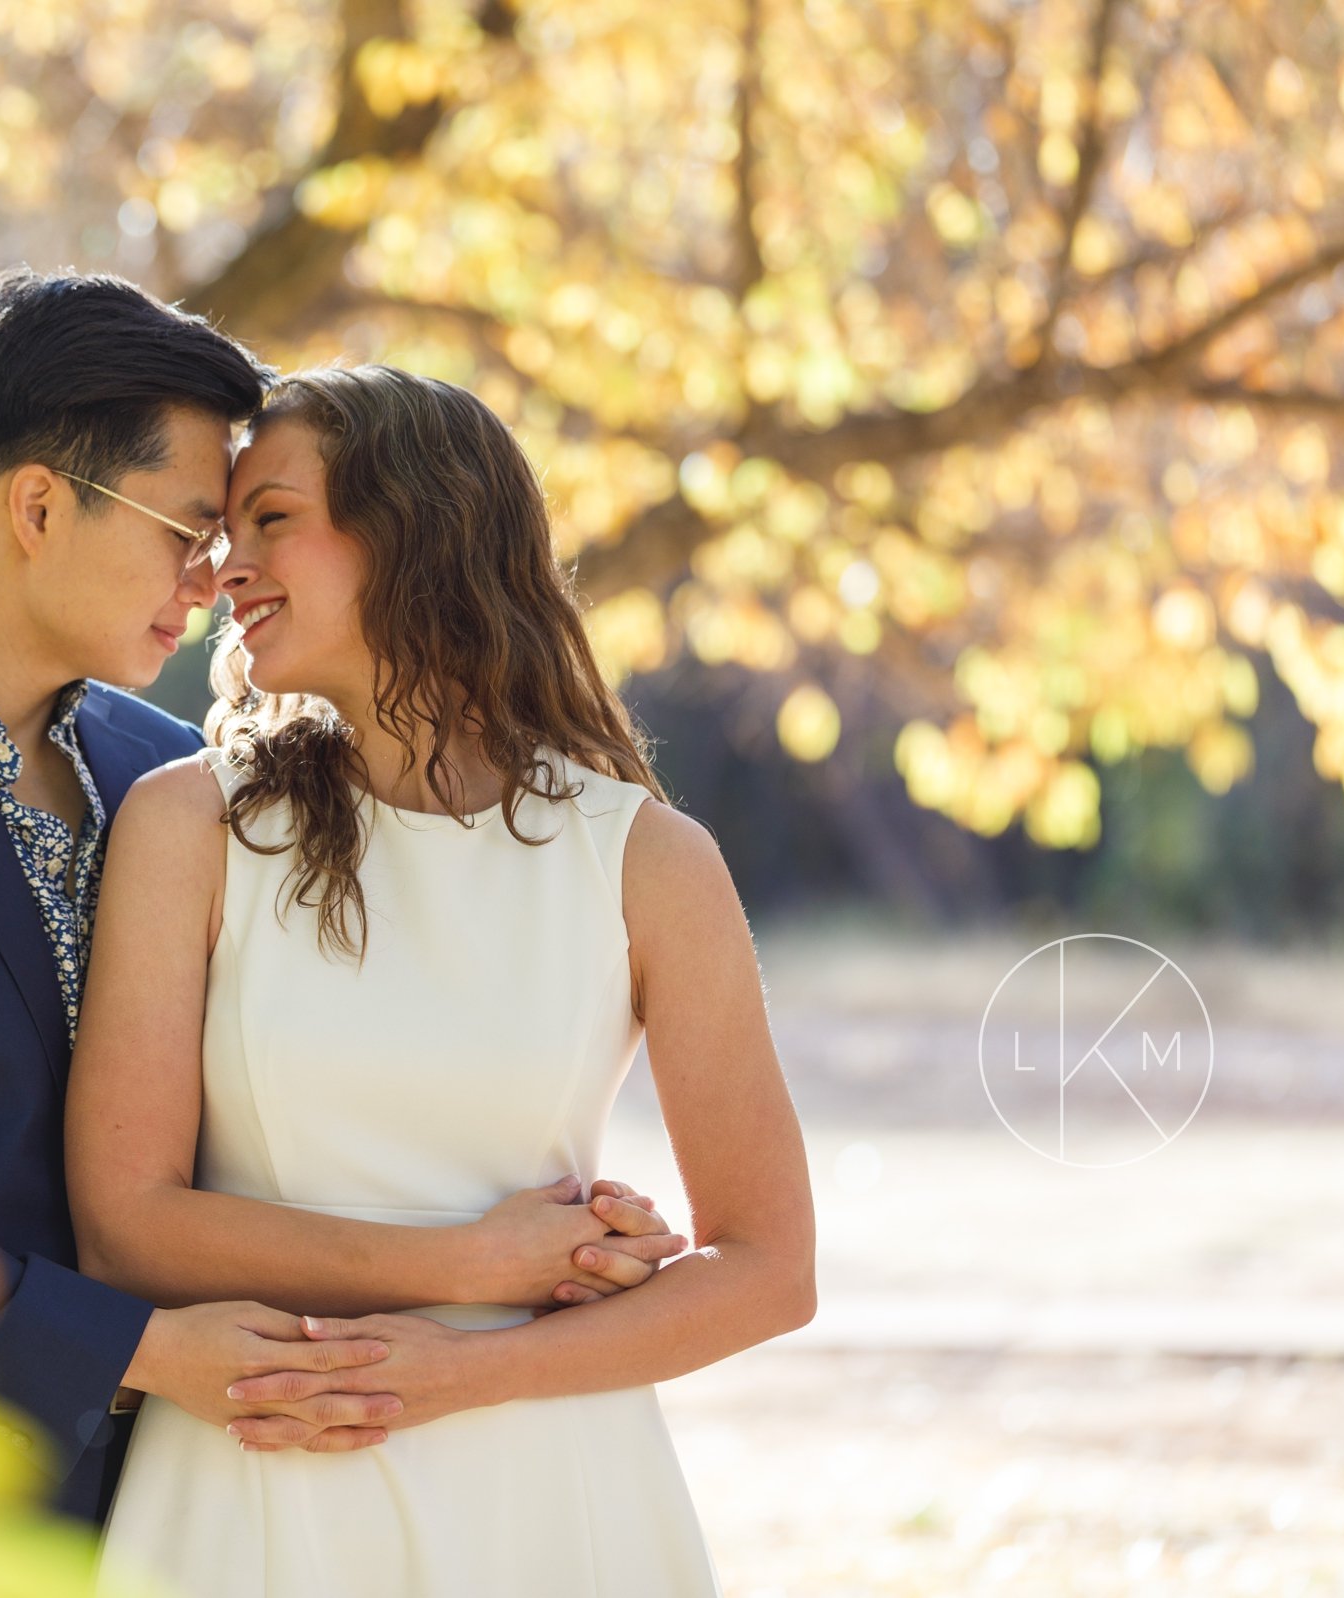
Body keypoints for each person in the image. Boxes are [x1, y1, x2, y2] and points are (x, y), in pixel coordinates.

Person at [0, 270, 688, 1531]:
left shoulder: (181, 787)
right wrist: (136, 1346)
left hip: (196, 1504)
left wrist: (571, 1239)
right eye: (185, 531)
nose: (212, 580)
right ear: (38, 503)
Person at [70, 364, 819, 1594]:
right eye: (220, 530)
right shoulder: (191, 824)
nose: (224, 571)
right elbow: (125, 1221)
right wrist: (472, 1266)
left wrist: (467, 1371)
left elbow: (769, 1267)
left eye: (273, 520)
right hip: (261, 1481)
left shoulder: (646, 861)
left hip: (547, 1499)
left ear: (414, 529)